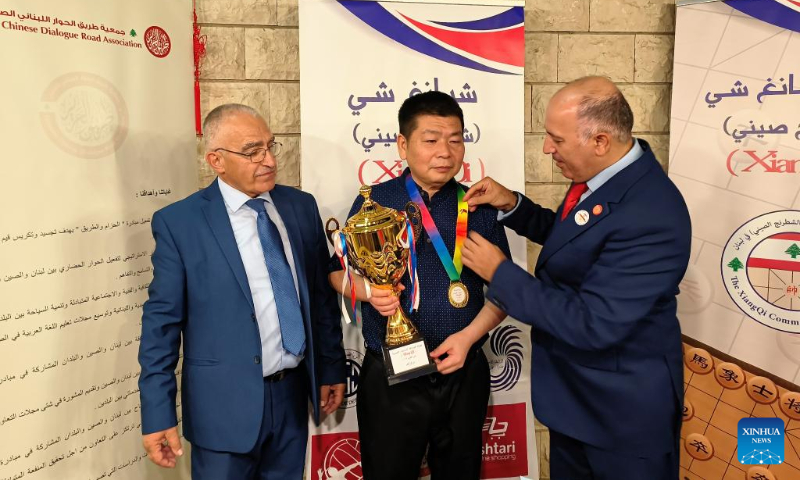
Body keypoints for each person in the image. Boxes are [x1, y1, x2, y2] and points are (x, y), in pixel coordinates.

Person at [461, 76, 690, 479]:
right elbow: (578, 244)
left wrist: (499, 272)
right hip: (577, 404)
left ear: (600, 141)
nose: (547, 148)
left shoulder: (652, 214)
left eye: (556, 139)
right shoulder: (607, 180)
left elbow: (592, 323)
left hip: (621, 420)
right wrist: (514, 206)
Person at [138, 104, 346, 479]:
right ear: (216, 160)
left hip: (291, 398)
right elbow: (161, 327)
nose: (268, 160)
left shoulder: (299, 207)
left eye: (270, 146)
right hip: (221, 409)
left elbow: (319, 299)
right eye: (253, 152)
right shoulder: (179, 224)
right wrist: (157, 412)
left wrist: (330, 366)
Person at [328, 91, 510, 480]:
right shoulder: (375, 201)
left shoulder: (479, 206)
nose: (445, 151)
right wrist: (368, 293)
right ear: (402, 145)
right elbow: (335, 272)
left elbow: (505, 291)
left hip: (463, 371)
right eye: (430, 140)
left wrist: (468, 338)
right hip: (392, 375)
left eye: (455, 139)